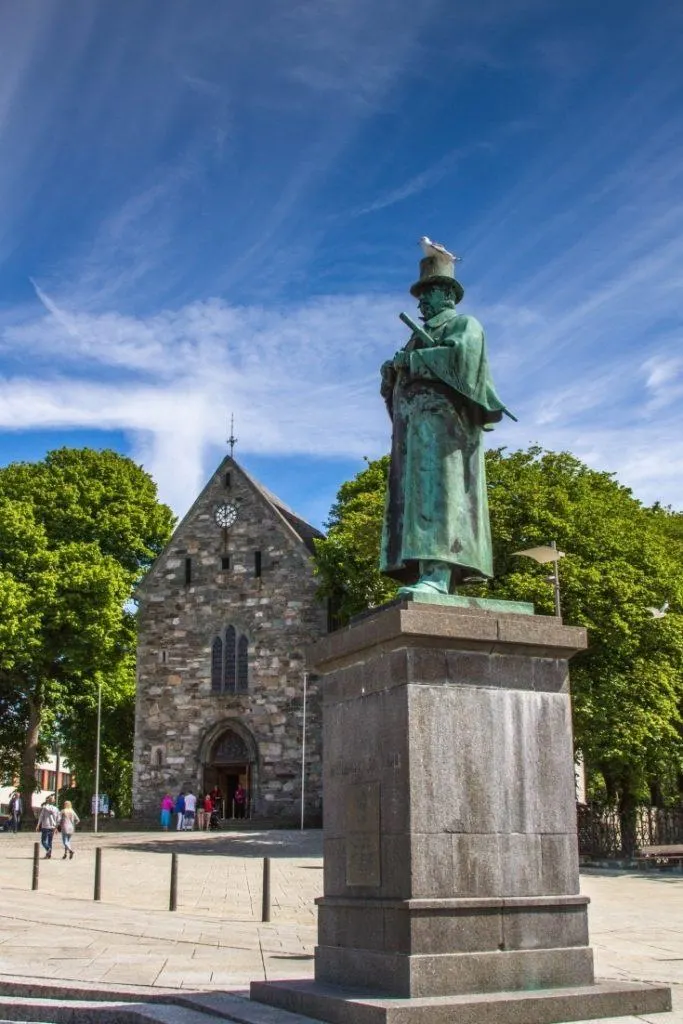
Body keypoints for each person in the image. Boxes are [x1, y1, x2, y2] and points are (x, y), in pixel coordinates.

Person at [380, 246, 514, 595]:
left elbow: (463, 360)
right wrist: (392, 373)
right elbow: (400, 388)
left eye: (429, 293)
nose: (422, 302)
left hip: (444, 431)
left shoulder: (464, 325)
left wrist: (414, 361)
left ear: (448, 295)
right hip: (414, 432)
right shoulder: (414, 338)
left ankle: (438, 575)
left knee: (437, 499)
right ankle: (425, 572)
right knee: (415, 501)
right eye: (420, 295)